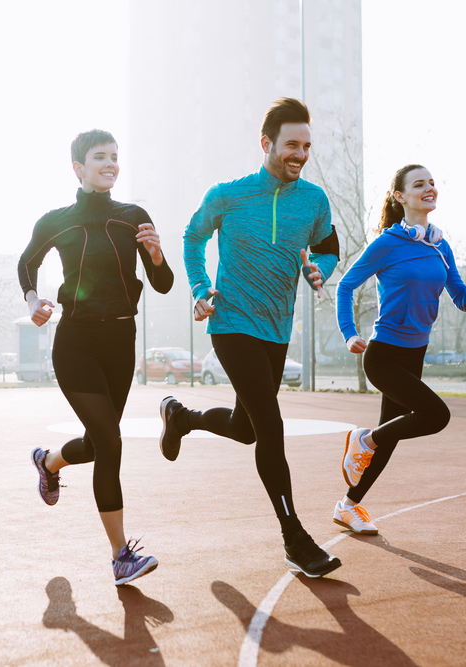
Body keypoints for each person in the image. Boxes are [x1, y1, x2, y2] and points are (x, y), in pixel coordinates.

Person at [157, 98, 342, 578]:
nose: (300, 154)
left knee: (247, 429)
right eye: (291, 145)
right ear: (267, 143)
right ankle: (295, 538)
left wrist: (319, 271)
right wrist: (201, 287)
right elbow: (192, 237)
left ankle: (181, 417)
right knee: (271, 425)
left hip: (276, 329)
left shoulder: (314, 201)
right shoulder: (228, 195)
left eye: (306, 146)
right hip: (232, 323)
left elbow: (327, 247)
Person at [18, 129, 174, 586]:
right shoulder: (57, 221)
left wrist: (156, 255)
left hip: (121, 343)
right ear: (78, 168)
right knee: (110, 443)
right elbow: (26, 263)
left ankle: (48, 462)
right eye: (100, 157)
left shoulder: (133, 217)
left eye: (114, 157)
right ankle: (120, 556)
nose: (110, 164)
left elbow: (163, 284)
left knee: (98, 442)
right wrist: (33, 300)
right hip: (77, 343)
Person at [333, 164, 466, 536]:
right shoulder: (386, 244)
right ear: (400, 196)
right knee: (435, 415)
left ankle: (348, 506)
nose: (429, 188)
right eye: (419, 184)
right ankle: (364, 440)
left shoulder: (439, 245)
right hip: (383, 355)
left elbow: (462, 299)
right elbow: (345, 286)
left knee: (390, 436)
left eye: (432, 183)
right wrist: (348, 333)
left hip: (414, 354)